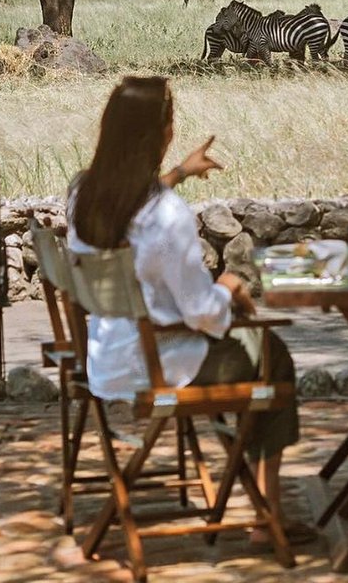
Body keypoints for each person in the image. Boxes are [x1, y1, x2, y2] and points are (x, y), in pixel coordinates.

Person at [67, 75, 308, 546]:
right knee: (272, 357)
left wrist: (178, 172)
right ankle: (268, 515)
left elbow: (131, 207)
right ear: (160, 133)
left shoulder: (83, 193)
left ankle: (262, 505)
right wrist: (229, 287)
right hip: (158, 364)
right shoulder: (168, 214)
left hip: (104, 355)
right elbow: (200, 312)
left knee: (254, 349)